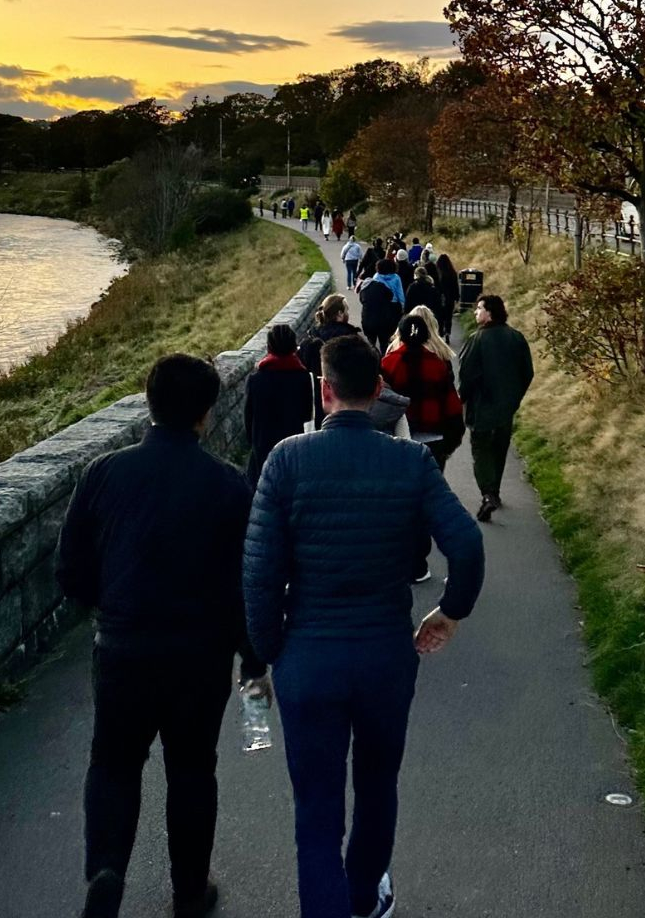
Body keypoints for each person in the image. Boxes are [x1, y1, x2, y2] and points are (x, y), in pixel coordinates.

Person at [243, 334, 485, 918]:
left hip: (309, 658)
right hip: (383, 656)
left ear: (323, 391)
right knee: (378, 786)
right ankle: (363, 895)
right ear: (378, 390)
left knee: (317, 809)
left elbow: (257, 575)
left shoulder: (285, 461)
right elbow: (467, 546)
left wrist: (273, 653)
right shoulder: (410, 461)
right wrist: (449, 612)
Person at [56, 354, 267, 918]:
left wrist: (109, 609)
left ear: (149, 402)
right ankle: (191, 893)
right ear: (205, 414)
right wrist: (252, 657)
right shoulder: (229, 486)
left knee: (114, 763)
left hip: (124, 648)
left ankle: (105, 867)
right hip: (199, 658)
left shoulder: (103, 473)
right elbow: (247, 582)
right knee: (193, 769)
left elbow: (69, 571)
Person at [381, 313, 465, 581]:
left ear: (401, 334)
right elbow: (452, 407)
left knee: (399, 502)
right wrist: (451, 441)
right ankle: (420, 561)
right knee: (427, 501)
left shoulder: (389, 363)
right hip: (433, 442)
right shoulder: (438, 365)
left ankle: (401, 558)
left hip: (399, 441)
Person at [458, 294, 535, 522]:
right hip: (506, 408)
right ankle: (496, 492)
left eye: (479, 308)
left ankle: (488, 493)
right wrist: (514, 398)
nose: (475, 312)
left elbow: (467, 375)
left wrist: (462, 399)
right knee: (499, 449)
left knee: (481, 451)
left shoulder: (477, 339)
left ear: (489, 312)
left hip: (482, 407)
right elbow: (527, 373)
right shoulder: (517, 338)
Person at [244, 324, 315, 485]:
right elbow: (307, 414)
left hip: (263, 446)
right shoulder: (303, 377)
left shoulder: (256, 379)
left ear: (269, 347)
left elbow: (249, 418)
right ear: (294, 346)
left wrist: (253, 442)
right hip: (293, 446)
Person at [299, 294, 362, 426]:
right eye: (346, 309)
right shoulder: (348, 337)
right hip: (342, 394)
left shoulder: (312, 336)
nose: (348, 313)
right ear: (339, 314)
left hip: (316, 395)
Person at [358, 260, 403, 354]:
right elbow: (400, 293)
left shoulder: (376, 277)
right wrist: (402, 305)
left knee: (371, 342)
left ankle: (373, 355)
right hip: (393, 306)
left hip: (378, 307)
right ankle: (385, 356)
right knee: (385, 339)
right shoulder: (396, 277)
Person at [434, 254, 460, 341]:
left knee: (440, 317)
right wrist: (457, 297)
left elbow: (435, 286)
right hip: (450, 298)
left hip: (439, 299)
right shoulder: (452, 273)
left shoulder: (437, 273)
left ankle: (440, 332)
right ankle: (448, 332)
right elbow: (455, 286)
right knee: (449, 317)